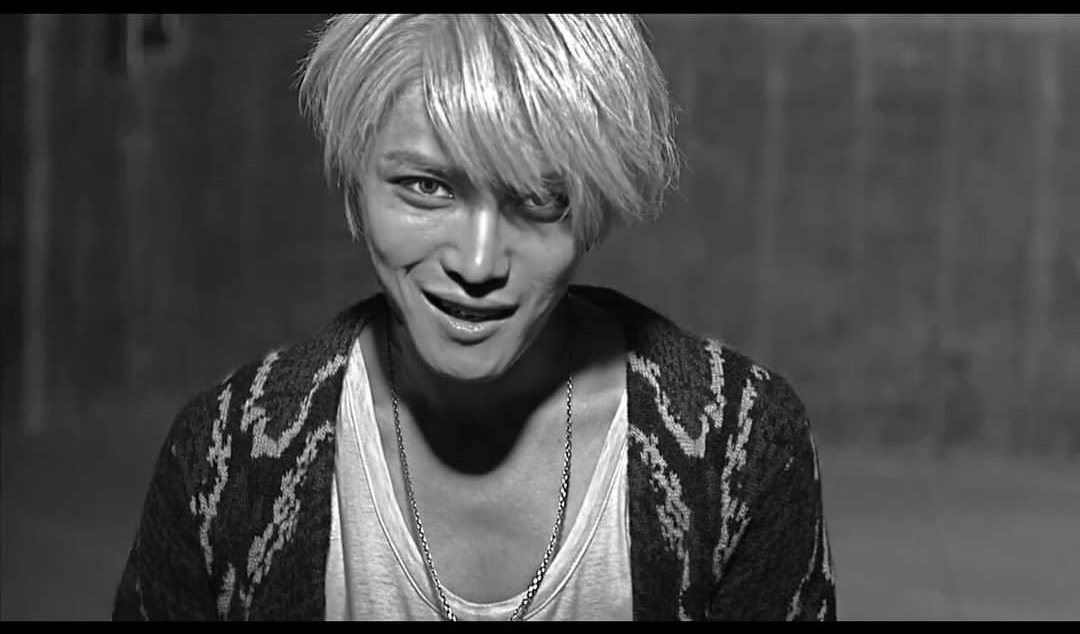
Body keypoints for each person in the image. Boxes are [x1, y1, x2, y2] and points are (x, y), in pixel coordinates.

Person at [112, 14, 836, 621]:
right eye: (427, 187)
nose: (479, 262)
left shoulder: (736, 444)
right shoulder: (229, 455)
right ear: (356, 182)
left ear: (595, 205)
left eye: (538, 199)